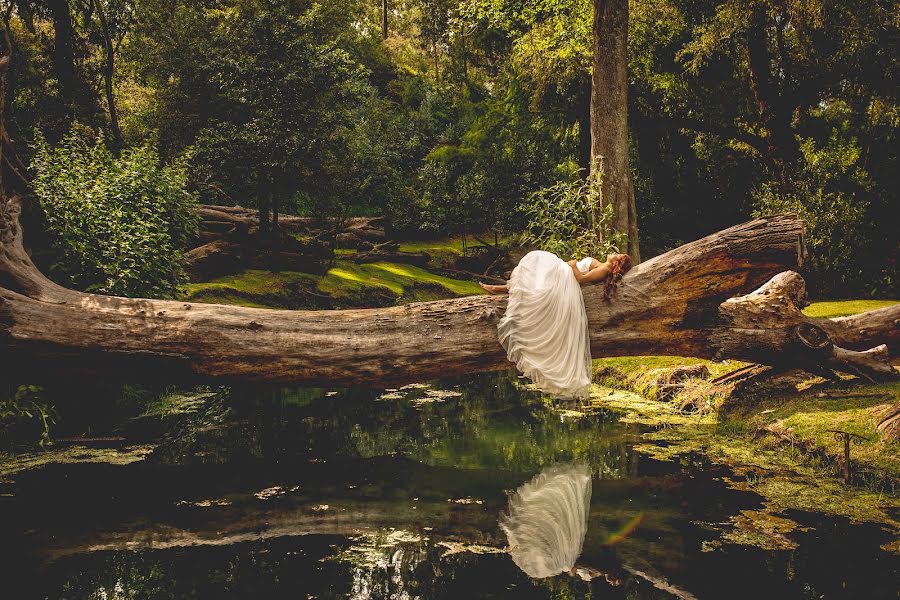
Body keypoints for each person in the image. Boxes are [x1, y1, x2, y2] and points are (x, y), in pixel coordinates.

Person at [480, 251, 632, 399]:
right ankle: (497, 288)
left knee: (538, 261)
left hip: (567, 278)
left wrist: (572, 265)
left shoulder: (604, 270)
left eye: (618, 256)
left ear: (616, 263)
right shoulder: (601, 265)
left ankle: (496, 288)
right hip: (565, 277)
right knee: (535, 280)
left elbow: (581, 278)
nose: (614, 253)